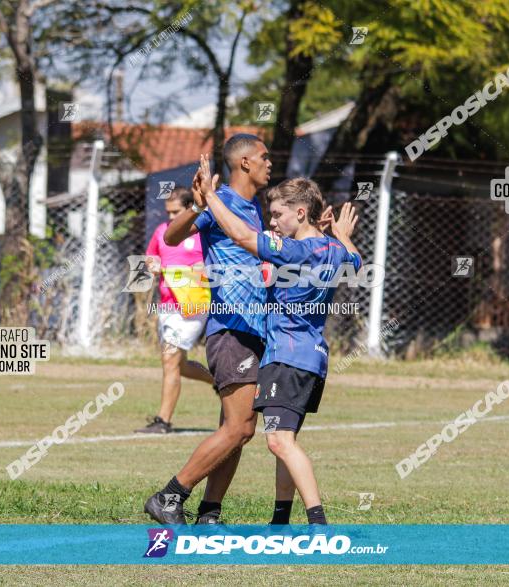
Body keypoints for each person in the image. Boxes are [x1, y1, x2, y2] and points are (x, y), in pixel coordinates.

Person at [194, 155, 361, 526]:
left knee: (278, 442)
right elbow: (355, 258)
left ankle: (318, 524)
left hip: (286, 356)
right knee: (284, 442)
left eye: (278, 215)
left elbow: (240, 235)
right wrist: (343, 235)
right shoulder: (334, 252)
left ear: (301, 213)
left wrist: (210, 196)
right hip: (314, 359)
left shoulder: (296, 251)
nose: (272, 222)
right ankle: (280, 521)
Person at [142, 134, 272, 525]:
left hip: (252, 329)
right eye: (264, 157)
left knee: (239, 428)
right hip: (230, 330)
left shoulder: (251, 207)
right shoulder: (224, 202)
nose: (270, 163)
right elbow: (172, 236)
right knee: (239, 426)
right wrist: (198, 205)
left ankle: (210, 512)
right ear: (245, 162)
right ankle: (169, 496)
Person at [135, 188, 214, 434]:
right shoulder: (163, 231)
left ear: (191, 208)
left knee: (170, 360)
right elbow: (149, 258)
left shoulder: (203, 232)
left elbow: (215, 263)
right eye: (168, 213)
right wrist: (152, 265)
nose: (171, 218)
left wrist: (202, 268)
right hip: (168, 305)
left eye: (176, 212)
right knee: (179, 364)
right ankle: (221, 382)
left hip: (193, 306)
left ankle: (163, 421)